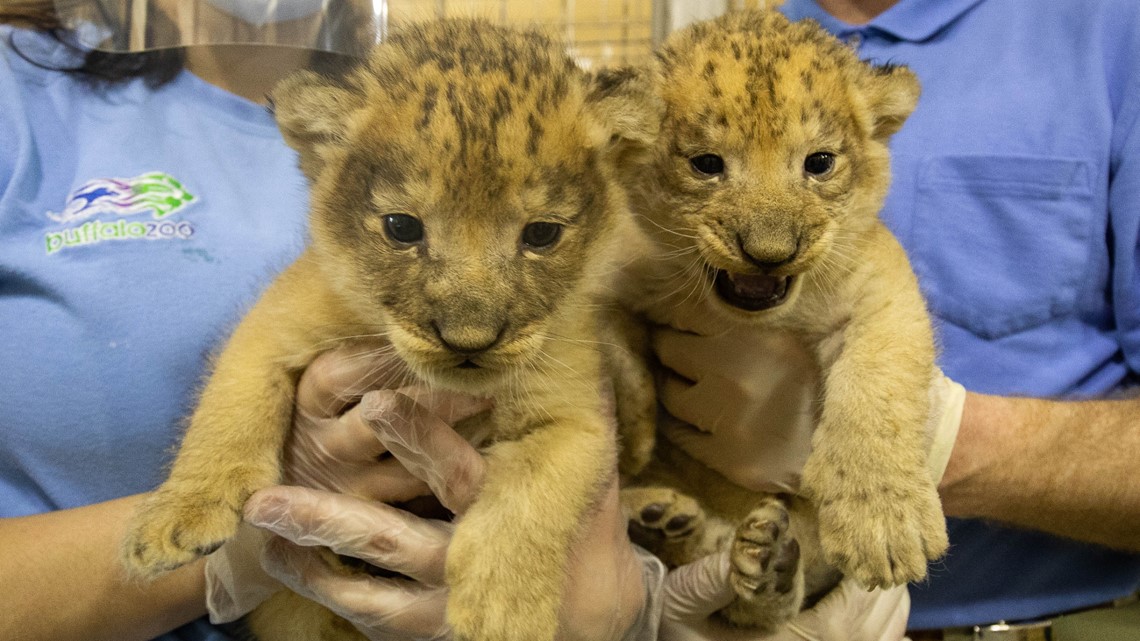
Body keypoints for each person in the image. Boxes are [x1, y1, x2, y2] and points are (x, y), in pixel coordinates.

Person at [649, 0, 1140, 638]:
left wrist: (942, 444)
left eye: (820, 164)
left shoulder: (1112, 29)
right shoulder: (720, 61)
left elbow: (880, 310)